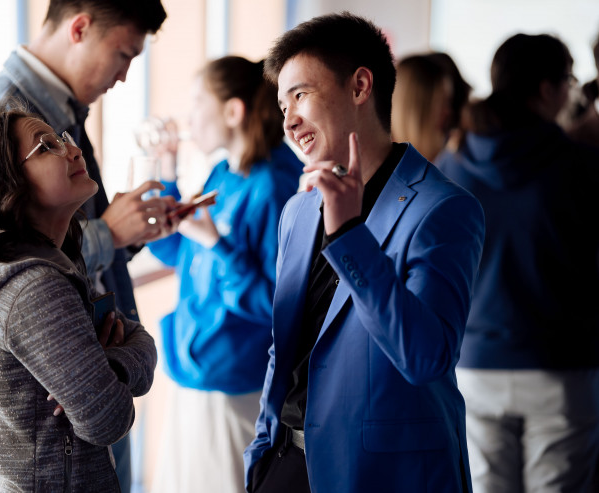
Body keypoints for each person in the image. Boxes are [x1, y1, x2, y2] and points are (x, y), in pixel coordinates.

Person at [0, 2, 168, 490]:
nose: (124, 76)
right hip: (57, 414)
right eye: (123, 54)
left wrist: (124, 238)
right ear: (79, 27)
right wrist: (109, 234)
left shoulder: (62, 114)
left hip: (85, 383)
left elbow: (63, 250)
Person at [243, 12, 485, 492]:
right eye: (282, 103)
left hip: (385, 475)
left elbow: (426, 358)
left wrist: (350, 234)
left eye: (300, 95)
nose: (288, 120)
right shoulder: (297, 209)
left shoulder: (443, 208)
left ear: (359, 86)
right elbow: (284, 345)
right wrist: (262, 449)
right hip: (286, 462)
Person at [437, 33, 599, 492]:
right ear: (547, 89)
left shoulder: (451, 163)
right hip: (560, 365)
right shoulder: (580, 165)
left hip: (473, 363)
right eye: (568, 80)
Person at [146, 55, 304, 493]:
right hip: (196, 369)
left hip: (236, 381)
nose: (188, 117)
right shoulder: (224, 172)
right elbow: (175, 250)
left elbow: (278, 304)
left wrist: (217, 244)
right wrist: (166, 173)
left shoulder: (276, 185)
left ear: (233, 111)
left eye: (198, 102)